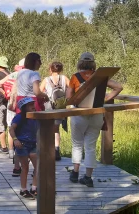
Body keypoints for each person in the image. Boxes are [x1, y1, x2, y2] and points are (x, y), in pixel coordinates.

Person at [67, 52, 123, 187]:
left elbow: (68, 97)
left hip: (80, 114)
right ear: (93, 63)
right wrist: (105, 99)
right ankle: (88, 177)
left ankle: (75, 173)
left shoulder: (75, 77)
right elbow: (119, 87)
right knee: (90, 146)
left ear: (80, 63)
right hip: (97, 114)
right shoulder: (100, 77)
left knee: (77, 144)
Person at [0, 58, 25, 177]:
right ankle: (21, 156)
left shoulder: (12, 74)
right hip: (23, 104)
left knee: (10, 127)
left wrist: (6, 94)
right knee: (22, 129)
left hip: (11, 104)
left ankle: (11, 152)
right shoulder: (27, 75)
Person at [40, 62, 71, 161]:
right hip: (60, 107)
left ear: (50, 69)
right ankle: (56, 150)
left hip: (49, 107)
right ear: (61, 69)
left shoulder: (46, 80)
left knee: (48, 129)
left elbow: (39, 92)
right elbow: (72, 89)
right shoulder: (64, 78)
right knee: (56, 130)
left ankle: (48, 151)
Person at [9, 97, 39, 199]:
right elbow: (11, 129)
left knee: (38, 166)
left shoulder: (35, 117)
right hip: (22, 144)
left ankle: (34, 188)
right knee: (25, 167)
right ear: (24, 107)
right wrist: (15, 139)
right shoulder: (19, 117)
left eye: (33, 104)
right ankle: (23, 189)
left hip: (33, 144)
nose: (33, 107)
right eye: (30, 105)